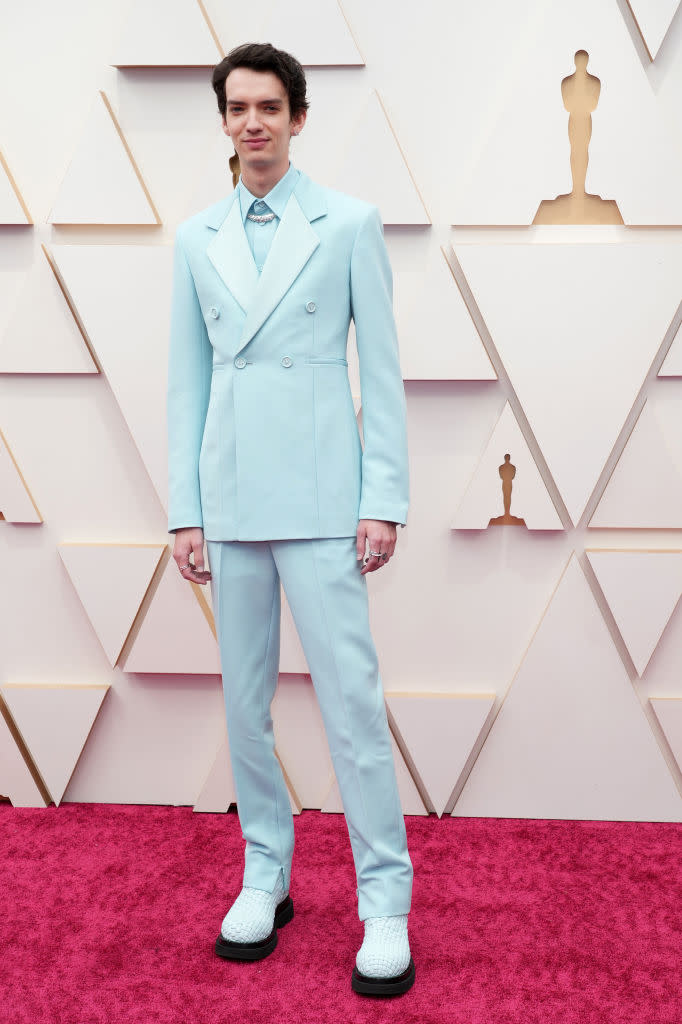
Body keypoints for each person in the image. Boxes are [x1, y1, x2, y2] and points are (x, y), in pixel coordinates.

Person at [166, 42, 414, 996]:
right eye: (238, 109)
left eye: (270, 107)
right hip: (228, 499)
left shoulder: (348, 224)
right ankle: (264, 874)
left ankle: (383, 901)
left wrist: (381, 499)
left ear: (299, 117)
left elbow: (381, 375)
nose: (254, 123)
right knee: (242, 705)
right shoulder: (195, 239)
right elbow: (188, 383)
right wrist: (185, 509)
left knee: (352, 705)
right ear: (223, 121)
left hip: (322, 496)